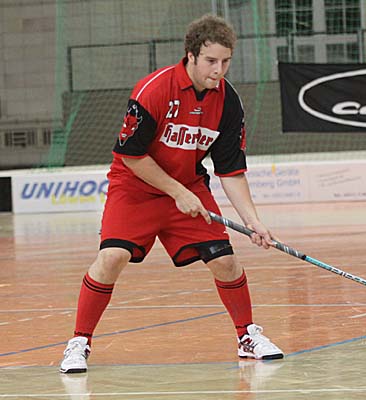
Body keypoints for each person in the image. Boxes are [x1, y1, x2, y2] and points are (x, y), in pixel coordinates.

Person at [59, 14, 284, 374]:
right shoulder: (154, 89)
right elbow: (131, 155)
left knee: (225, 261)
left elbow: (230, 169)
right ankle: (79, 342)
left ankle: (247, 336)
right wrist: (176, 191)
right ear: (191, 55)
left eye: (226, 61)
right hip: (134, 187)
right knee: (112, 257)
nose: (219, 70)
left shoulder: (228, 102)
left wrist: (254, 221)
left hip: (188, 188)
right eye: (211, 61)